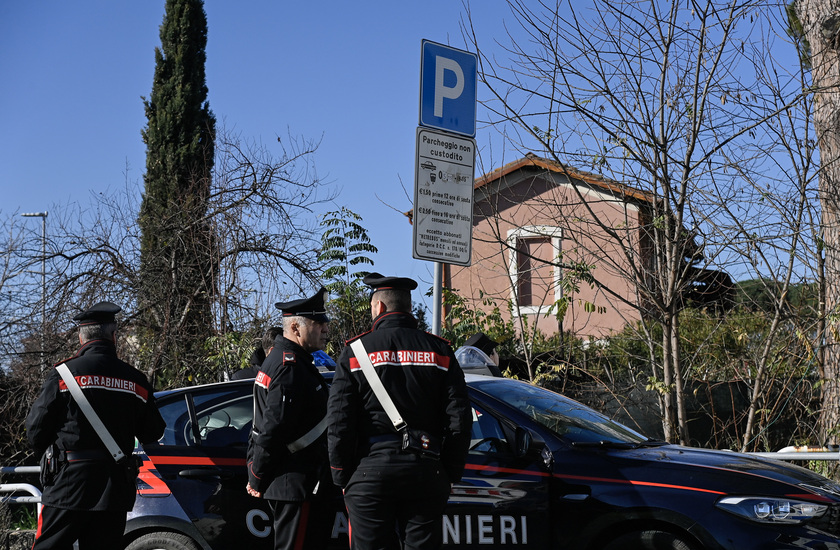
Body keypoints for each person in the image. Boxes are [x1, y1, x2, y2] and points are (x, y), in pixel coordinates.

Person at [327, 273, 472, 550]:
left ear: (379, 308)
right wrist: (450, 472)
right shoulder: (440, 351)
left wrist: (342, 476)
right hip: (426, 469)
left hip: (369, 471)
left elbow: (339, 422)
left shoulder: (355, 352)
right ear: (407, 307)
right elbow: (459, 419)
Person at [26, 301, 166, 550]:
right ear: (113, 336)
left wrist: (50, 459)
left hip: (69, 482)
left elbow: (36, 428)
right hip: (114, 485)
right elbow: (153, 431)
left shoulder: (64, 374)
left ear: (82, 338)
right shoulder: (136, 380)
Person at [246, 289, 334, 550]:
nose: (325, 329)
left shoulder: (286, 361)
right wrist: (257, 475)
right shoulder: (290, 367)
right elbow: (272, 429)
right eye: (319, 324)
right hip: (296, 483)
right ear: (295, 326)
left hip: (295, 483)